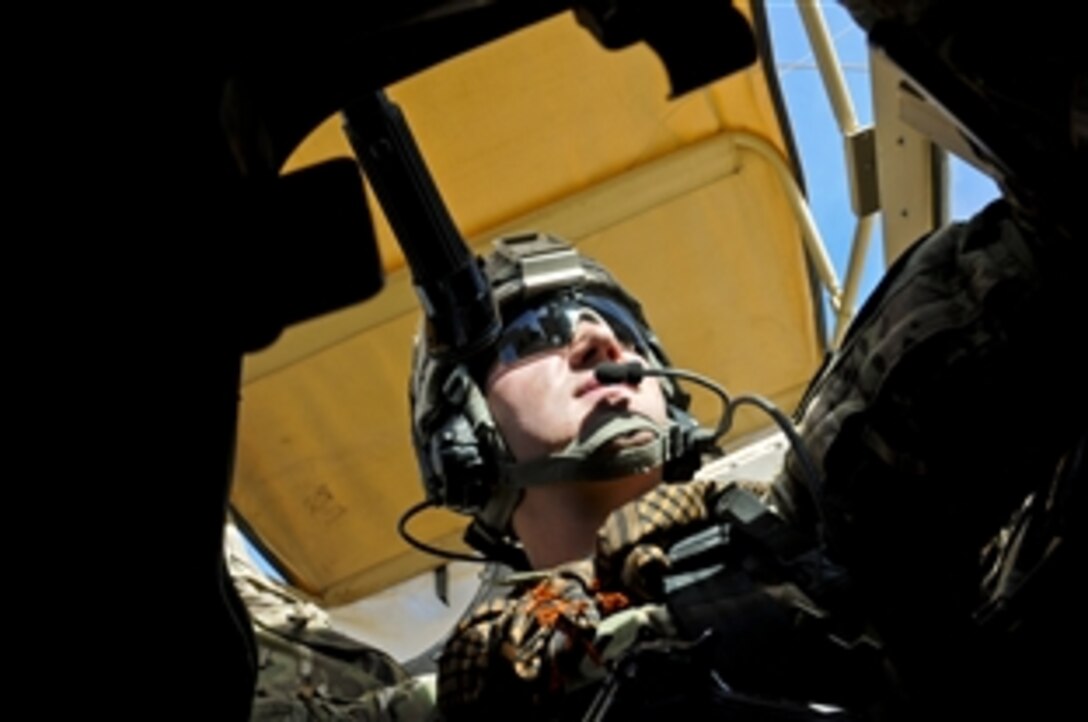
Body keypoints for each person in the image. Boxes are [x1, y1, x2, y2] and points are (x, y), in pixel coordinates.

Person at [408, 219, 1085, 720]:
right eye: (533, 335)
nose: (599, 341)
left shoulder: (817, 518)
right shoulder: (453, 692)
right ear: (462, 443)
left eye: (616, 324)